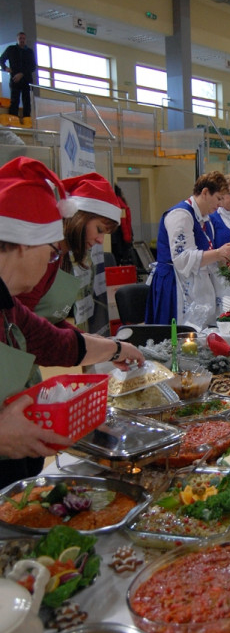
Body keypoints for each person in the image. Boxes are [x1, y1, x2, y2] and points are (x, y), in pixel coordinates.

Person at [0, 157, 144, 489]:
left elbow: (49, 340)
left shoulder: (7, 306)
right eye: (51, 252)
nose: (52, 261)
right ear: (24, 244)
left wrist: (115, 348)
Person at [17, 172, 122, 330]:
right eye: (99, 229)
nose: (100, 240)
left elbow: (53, 319)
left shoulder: (62, 256)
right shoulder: (43, 254)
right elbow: (21, 321)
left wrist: (85, 339)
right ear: (79, 218)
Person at [146, 171, 230, 327]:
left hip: (194, 284)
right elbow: (182, 258)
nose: (220, 204)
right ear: (206, 192)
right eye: (218, 198)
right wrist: (217, 253)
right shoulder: (181, 215)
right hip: (174, 286)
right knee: (177, 335)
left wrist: (222, 258)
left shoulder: (205, 220)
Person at [0, 32, 37, 121]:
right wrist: (5, 68)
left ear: (26, 40)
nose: (22, 40)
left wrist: (22, 73)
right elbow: (1, 59)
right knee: (14, 100)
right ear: (17, 39)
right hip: (15, 79)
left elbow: (33, 66)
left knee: (27, 101)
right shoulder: (11, 49)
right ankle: (13, 119)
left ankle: (27, 119)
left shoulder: (29, 52)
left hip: (26, 79)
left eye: (23, 38)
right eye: (20, 38)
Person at [111, 184, 137, 266]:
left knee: (117, 260)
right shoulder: (122, 202)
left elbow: (122, 224)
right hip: (123, 238)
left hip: (118, 238)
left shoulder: (117, 204)